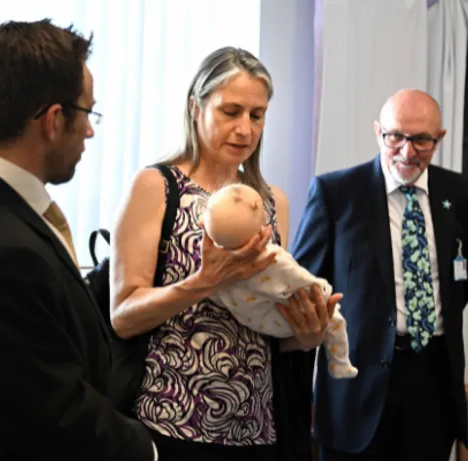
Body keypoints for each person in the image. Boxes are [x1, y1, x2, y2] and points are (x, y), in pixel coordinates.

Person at [0, 19, 156, 460]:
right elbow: (54, 417)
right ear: (53, 120)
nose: (90, 131)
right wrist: (148, 451)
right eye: (87, 114)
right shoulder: (1, 250)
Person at [110, 46, 339, 461]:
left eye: (257, 115)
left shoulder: (271, 203)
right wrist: (204, 282)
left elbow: (265, 326)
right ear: (196, 107)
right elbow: (123, 316)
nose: (245, 129)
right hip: (169, 423)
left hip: (257, 431)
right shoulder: (158, 187)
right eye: (230, 111)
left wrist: (306, 335)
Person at [293, 89, 468, 461]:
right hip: (355, 382)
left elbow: (462, 281)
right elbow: (302, 290)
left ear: (439, 138)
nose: (407, 152)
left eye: (421, 140)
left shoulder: (463, 194)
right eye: (396, 136)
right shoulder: (337, 193)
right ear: (378, 132)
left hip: (432, 382)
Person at [201, 183, 357, 379]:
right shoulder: (273, 258)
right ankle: (340, 363)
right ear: (264, 224)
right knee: (335, 320)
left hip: (245, 316)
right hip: (275, 324)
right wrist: (323, 291)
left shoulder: (215, 254)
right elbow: (301, 280)